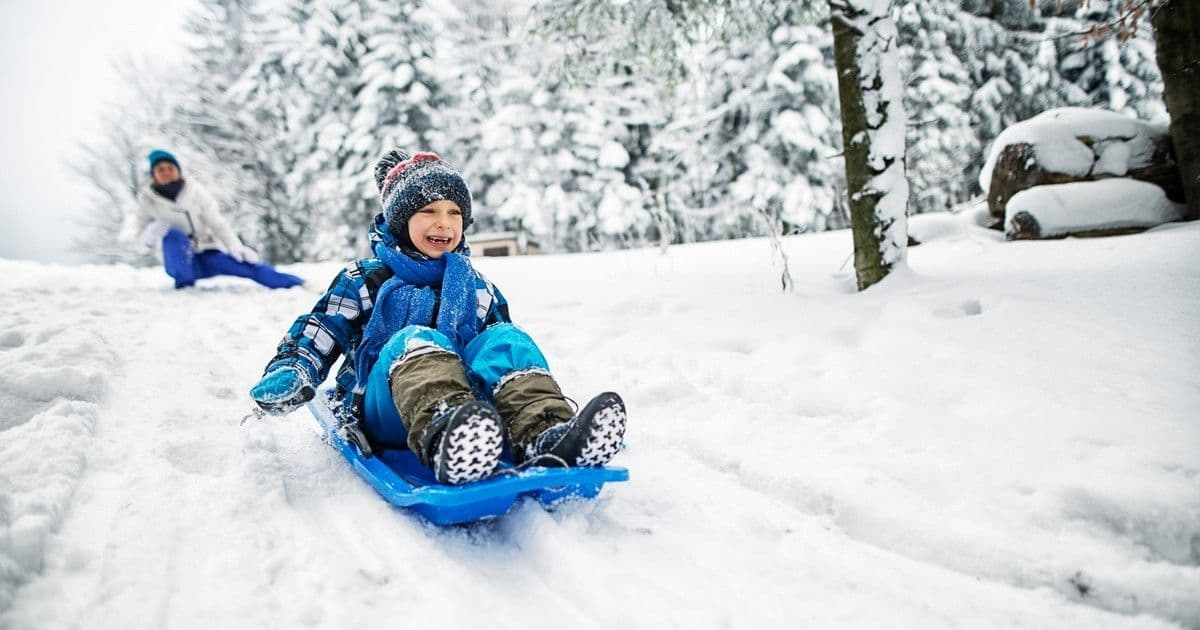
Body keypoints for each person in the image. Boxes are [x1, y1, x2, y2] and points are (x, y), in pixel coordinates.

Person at [248, 150, 627, 484]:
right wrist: (293, 369)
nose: (443, 223)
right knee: (416, 340)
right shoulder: (365, 279)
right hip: (384, 411)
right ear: (400, 221)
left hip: (472, 411)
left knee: (505, 340)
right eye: (428, 211)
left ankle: (547, 432)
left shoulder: (475, 287)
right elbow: (320, 330)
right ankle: (450, 440)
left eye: (454, 213)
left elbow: (494, 356)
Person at [134, 149, 304, 290]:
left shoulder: (195, 192)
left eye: (170, 168)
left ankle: (295, 283)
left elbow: (217, 223)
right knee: (173, 236)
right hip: (179, 263)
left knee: (247, 267)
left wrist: (235, 246)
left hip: (208, 254)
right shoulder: (147, 200)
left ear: (178, 170)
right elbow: (139, 245)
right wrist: (148, 238)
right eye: (160, 169)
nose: (166, 173)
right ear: (153, 174)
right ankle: (185, 286)